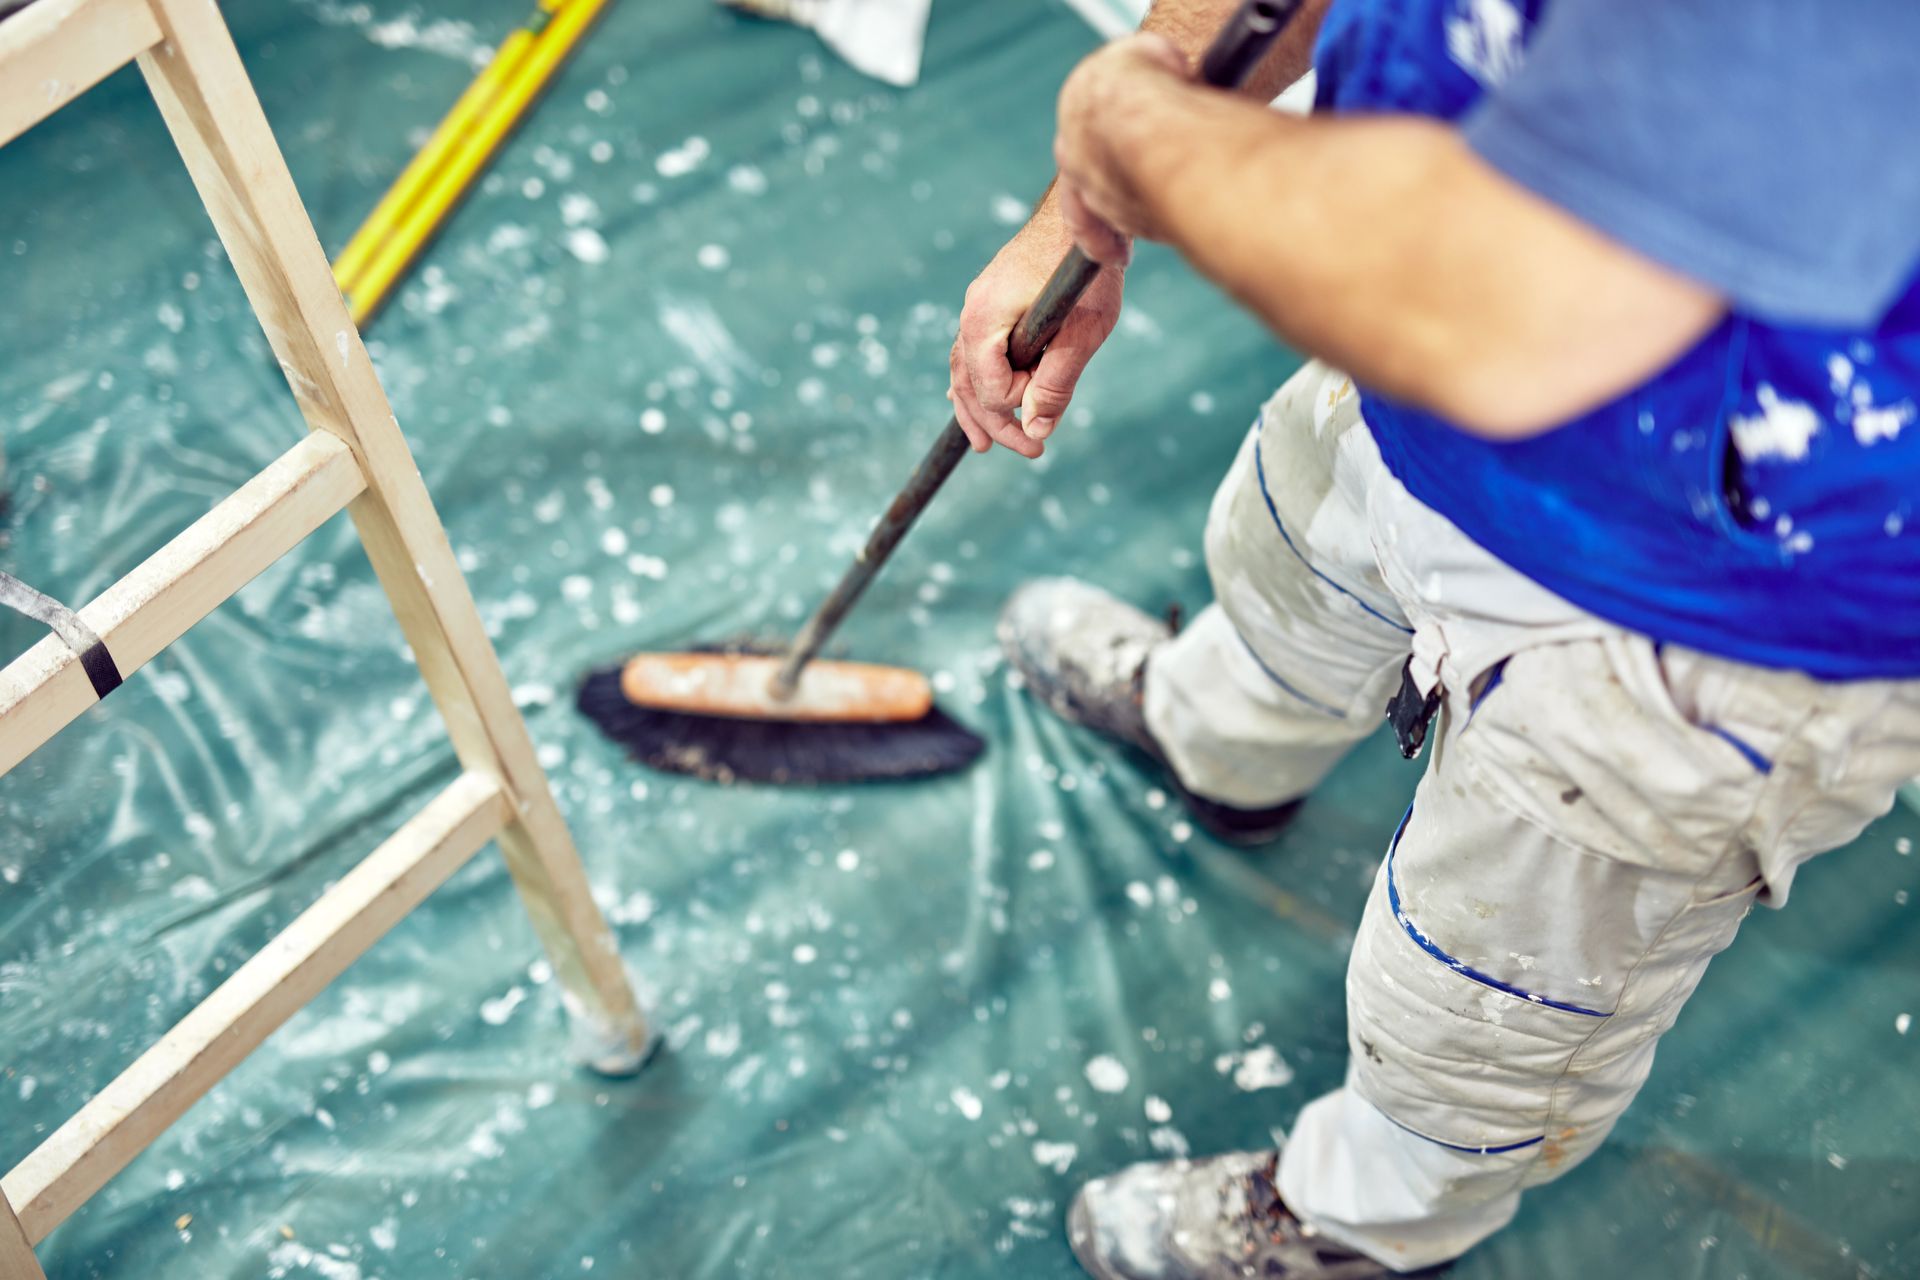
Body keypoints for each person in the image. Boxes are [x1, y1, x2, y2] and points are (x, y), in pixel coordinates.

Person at [949, 0, 1920, 1275]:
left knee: (1487, 1002)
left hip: (1728, 597)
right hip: (1413, 367)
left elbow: (1524, 305)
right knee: (1280, 578)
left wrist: (1130, 136)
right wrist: (1084, 199)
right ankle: (1218, 751)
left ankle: (1366, 1220)